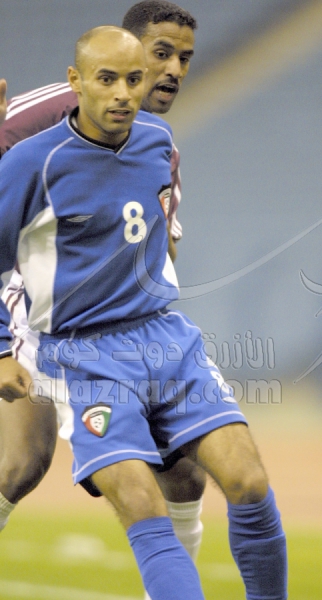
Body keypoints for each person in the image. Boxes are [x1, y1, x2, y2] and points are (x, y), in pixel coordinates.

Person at [0, 24, 287, 600]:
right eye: (107, 79)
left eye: (133, 80)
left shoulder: (159, 138)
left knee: (249, 482)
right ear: (76, 81)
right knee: (136, 501)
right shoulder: (31, 162)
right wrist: (3, 349)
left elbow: (161, 226)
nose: (123, 93)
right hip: (82, 357)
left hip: (166, 340)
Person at [0, 3, 207, 583]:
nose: (172, 70)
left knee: (186, 472)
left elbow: (162, 245)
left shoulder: (154, 139)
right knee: (23, 461)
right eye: (160, 53)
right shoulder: (44, 115)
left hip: (118, 326)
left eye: (183, 58)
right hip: (35, 304)